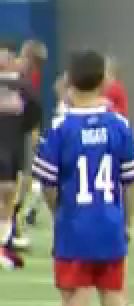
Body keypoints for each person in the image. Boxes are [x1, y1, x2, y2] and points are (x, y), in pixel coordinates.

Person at [31, 50, 134, 306]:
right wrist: (126, 224)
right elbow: (130, 182)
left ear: (69, 82)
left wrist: (59, 210)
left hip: (75, 229)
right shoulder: (119, 126)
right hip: (109, 227)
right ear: (104, 80)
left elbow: (46, 183)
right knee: (116, 305)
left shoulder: (61, 129)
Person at [0, 39, 41, 271]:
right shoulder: (21, 86)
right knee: (6, 195)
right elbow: (35, 112)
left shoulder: (22, 86)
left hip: (10, 147)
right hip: (10, 146)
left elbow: (34, 112)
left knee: (7, 195)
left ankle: (4, 243)